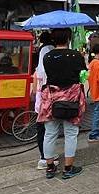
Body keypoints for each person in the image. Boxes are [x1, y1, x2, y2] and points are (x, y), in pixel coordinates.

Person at [38, 28, 87, 180]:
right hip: (72, 97)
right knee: (71, 133)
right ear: (68, 38)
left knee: (50, 133)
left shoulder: (47, 56)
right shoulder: (76, 55)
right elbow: (82, 74)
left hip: (51, 97)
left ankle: (50, 168)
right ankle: (68, 168)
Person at [31, 31, 56, 170]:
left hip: (42, 95)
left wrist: (34, 93)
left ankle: (47, 155)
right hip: (47, 95)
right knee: (47, 128)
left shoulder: (42, 51)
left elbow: (37, 75)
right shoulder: (50, 50)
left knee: (45, 127)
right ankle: (44, 158)